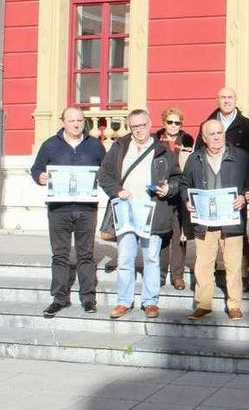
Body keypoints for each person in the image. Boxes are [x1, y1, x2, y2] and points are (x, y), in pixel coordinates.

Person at [99, 109, 181, 320]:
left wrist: (168, 189)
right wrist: (117, 191)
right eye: (134, 126)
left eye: (142, 125)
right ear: (129, 128)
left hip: (151, 212)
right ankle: (124, 301)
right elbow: (104, 176)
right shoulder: (119, 148)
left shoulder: (163, 151)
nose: (139, 130)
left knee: (151, 258)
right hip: (126, 212)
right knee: (125, 259)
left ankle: (150, 301)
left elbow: (177, 179)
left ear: (150, 124)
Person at [30, 107, 106, 317]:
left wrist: (103, 180)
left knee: (86, 255)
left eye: (79, 120)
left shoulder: (95, 145)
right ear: (63, 122)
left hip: (86, 209)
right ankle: (59, 298)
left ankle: (88, 298)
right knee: (60, 255)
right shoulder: (50, 145)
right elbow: (36, 169)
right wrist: (40, 178)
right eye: (71, 120)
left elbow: (107, 170)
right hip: (58, 209)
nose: (76, 124)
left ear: (84, 122)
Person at [181, 120, 249, 322]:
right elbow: (184, 184)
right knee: (203, 264)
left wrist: (244, 196)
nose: (217, 137)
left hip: (231, 221)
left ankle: (235, 305)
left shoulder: (241, 157)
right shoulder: (195, 159)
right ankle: (203, 305)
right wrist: (187, 200)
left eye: (220, 132)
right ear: (203, 138)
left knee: (234, 265)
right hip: (205, 221)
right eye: (212, 134)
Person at [194, 87, 249, 289]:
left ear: (235, 99)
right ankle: (206, 277)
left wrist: (245, 189)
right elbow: (198, 153)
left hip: (235, 187)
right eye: (223, 97)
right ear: (218, 99)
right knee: (209, 233)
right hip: (211, 184)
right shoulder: (207, 122)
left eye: (230, 97)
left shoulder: (247, 125)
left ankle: (243, 274)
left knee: (238, 232)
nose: (227, 100)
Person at [155, 107, 195, 290]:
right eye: (170, 122)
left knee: (180, 236)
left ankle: (177, 275)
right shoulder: (155, 139)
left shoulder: (187, 139)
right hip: (161, 192)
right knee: (163, 234)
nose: (173, 126)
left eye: (177, 122)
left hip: (180, 191)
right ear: (164, 123)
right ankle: (161, 274)